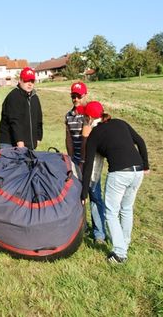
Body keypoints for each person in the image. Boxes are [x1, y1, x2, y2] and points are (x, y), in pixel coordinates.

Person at [79, 101, 150, 264]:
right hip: (137, 171)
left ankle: (119, 254)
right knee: (126, 208)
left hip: (119, 173)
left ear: (89, 118)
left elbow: (88, 165)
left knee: (111, 212)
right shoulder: (120, 122)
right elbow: (140, 142)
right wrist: (145, 165)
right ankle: (124, 243)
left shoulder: (94, 135)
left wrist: (84, 193)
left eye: (84, 116)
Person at [65, 82, 106, 244]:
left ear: (85, 96)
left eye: (79, 96)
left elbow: (90, 140)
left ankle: (99, 234)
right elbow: (68, 138)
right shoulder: (68, 116)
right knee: (77, 196)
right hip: (75, 161)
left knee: (95, 196)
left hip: (90, 162)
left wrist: (83, 160)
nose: (76, 99)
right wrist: (71, 159)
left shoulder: (89, 115)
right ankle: (81, 227)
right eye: (73, 96)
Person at [0, 67, 43, 150]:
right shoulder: (14, 96)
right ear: (20, 80)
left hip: (27, 144)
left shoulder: (34, 97)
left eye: (32, 81)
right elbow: (14, 121)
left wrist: (39, 137)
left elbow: (39, 119)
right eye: (26, 81)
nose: (29, 84)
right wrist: (20, 142)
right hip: (10, 143)